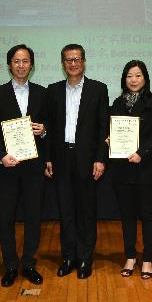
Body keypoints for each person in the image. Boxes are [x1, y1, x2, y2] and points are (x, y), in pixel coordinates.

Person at [0, 44, 48, 287]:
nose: (21, 65)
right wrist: (2, 156)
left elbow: (49, 127)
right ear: (9, 64)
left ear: (32, 65)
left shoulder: (42, 94)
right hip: (7, 167)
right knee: (6, 218)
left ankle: (29, 263)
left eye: (25, 61)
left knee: (34, 217)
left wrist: (44, 131)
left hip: (33, 167)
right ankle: (10, 265)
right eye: (16, 61)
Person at [46, 44, 109, 279]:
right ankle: (68, 256)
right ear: (62, 63)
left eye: (77, 59)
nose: (73, 63)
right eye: (68, 60)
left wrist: (101, 159)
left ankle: (85, 258)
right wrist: (49, 158)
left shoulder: (98, 89)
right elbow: (50, 129)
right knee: (66, 211)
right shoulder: (53, 91)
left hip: (87, 160)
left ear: (84, 61)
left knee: (86, 211)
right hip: (61, 159)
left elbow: (104, 126)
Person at [106, 60, 152, 280]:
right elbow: (110, 128)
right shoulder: (116, 103)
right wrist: (109, 139)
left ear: (145, 78)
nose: (133, 80)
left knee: (148, 215)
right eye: (129, 76)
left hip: (147, 169)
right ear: (124, 79)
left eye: (138, 75)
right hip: (122, 170)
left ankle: (147, 259)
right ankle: (130, 256)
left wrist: (141, 152)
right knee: (127, 216)